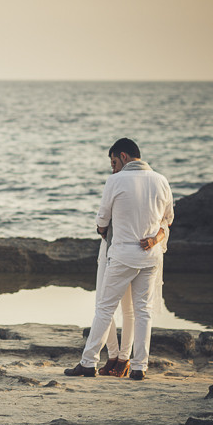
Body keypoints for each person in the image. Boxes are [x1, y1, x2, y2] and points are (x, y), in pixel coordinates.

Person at [65, 138, 173, 380]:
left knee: (104, 308)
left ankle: (88, 362)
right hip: (150, 256)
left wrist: (103, 230)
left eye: (114, 161)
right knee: (142, 311)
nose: (113, 167)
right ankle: (139, 367)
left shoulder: (116, 180)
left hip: (123, 255)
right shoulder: (161, 180)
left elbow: (103, 217)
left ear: (123, 156)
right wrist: (154, 239)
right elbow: (167, 219)